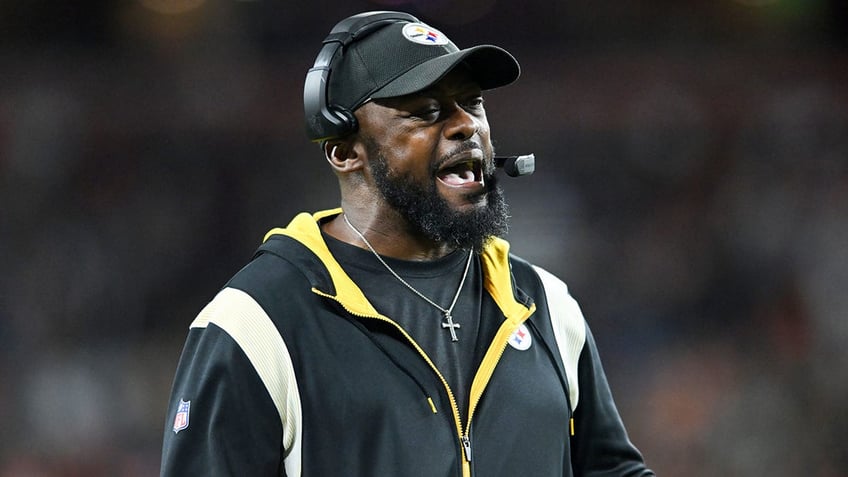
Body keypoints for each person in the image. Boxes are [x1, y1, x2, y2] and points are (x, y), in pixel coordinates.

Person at [160, 10, 654, 477]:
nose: (466, 125)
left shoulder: (543, 304)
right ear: (345, 151)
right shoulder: (257, 322)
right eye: (426, 111)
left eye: (473, 103)